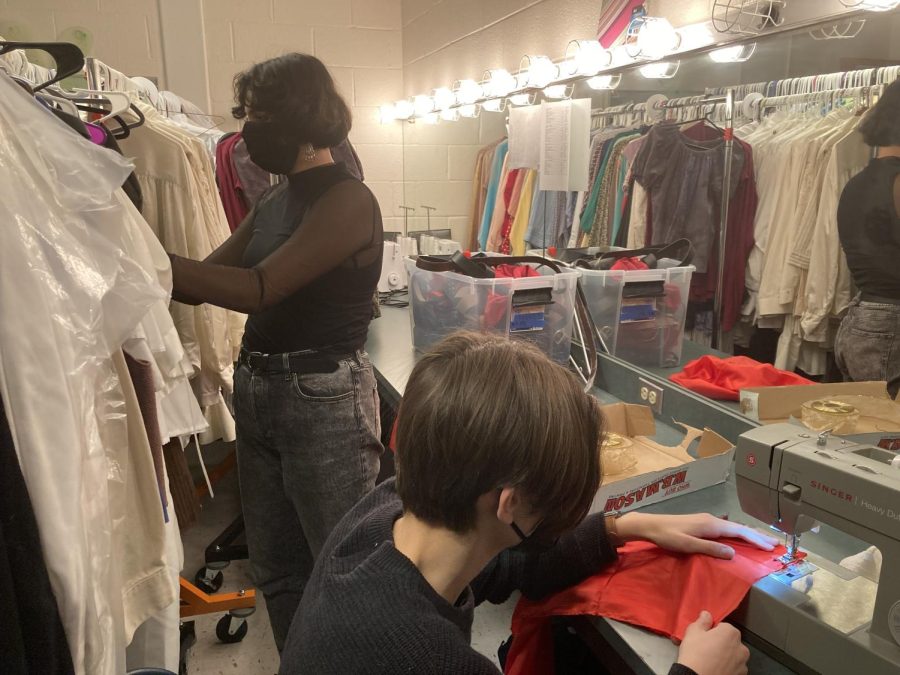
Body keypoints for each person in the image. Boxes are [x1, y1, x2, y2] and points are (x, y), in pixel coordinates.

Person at [279, 332, 777, 674]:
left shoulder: (386, 515)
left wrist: (626, 528)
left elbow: (505, 567)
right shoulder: (422, 655)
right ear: (509, 504)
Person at [167, 53, 384, 650]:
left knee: (343, 568)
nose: (249, 130)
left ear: (305, 118)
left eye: (263, 116)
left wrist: (150, 264)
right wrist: (136, 259)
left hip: (322, 398)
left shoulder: (348, 201)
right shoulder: (276, 199)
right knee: (278, 570)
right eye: (248, 114)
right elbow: (206, 277)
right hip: (260, 391)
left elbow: (260, 289)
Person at [836, 78, 900, 398]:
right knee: (885, 436)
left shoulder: (856, 184)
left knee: (866, 438)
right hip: (890, 330)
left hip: (861, 321)